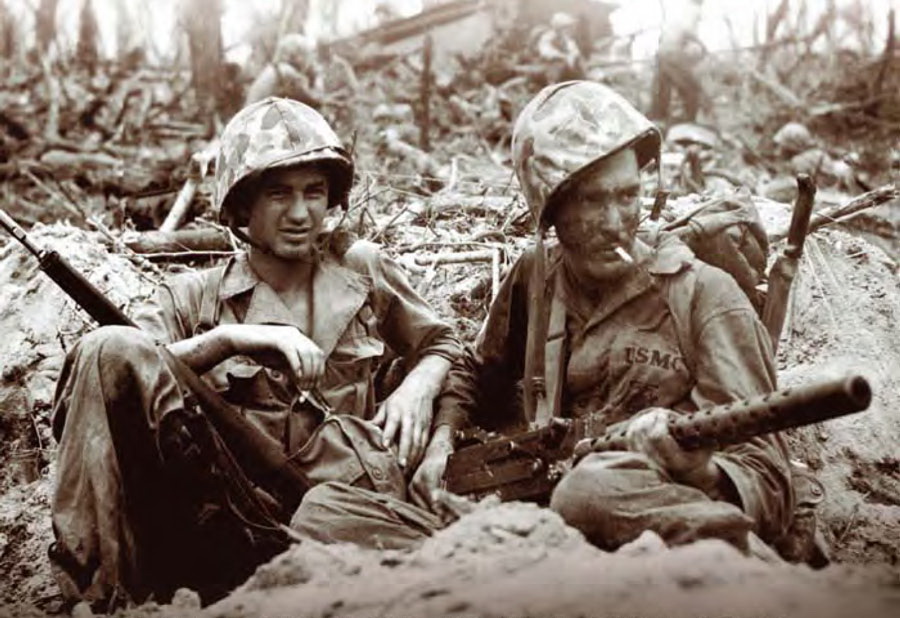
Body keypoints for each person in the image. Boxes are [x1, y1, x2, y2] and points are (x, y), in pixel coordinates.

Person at [49, 97, 462, 608]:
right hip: (229, 525)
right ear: (243, 205)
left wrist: (419, 387)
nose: (301, 213)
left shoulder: (361, 270)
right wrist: (230, 339)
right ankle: (95, 598)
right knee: (106, 343)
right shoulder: (193, 297)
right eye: (278, 193)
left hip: (340, 514)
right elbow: (114, 368)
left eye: (314, 192)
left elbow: (446, 343)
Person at [432, 81, 795, 555]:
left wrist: (702, 471)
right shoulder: (536, 278)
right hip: (544, 527)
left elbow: (771, 480)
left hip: (660, 524)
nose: (614, 222)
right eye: (592, 200)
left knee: (587, 493)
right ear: (551, 208)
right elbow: (476, 373)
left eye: (627, 196)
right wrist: (441, 441)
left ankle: (742, 565)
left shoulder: (705, 295)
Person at [650, 0, 710, 123]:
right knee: (692, 89)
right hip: (672, 53)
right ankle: (690, 121)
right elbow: (687, 31)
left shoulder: (678, 11)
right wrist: (703, 46)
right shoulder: (693, 10)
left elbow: (664, 36)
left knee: (663, 91)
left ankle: (659, 119)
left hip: (662, 52)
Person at [244, 34, 319, 107]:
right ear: (297, 55)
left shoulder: (274, 69)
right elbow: (310, 100)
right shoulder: (287, 72)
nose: (309, 61)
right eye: (307, 54)